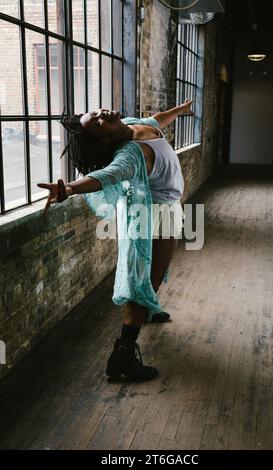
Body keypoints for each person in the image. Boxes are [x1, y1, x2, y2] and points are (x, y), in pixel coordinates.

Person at [38, 99, 194, 382]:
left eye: (95, 113)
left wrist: (180, 109)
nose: (101, 114)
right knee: (144, 278)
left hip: (166, 209)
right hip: (152, 215)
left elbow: (156, 119)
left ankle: (148, 309)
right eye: (97, 122)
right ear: (105, 139)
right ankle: (121, 358)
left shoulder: (135, 124)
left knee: (152, 275)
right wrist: (70, 188)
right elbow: (107, 176)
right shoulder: (130, 154)